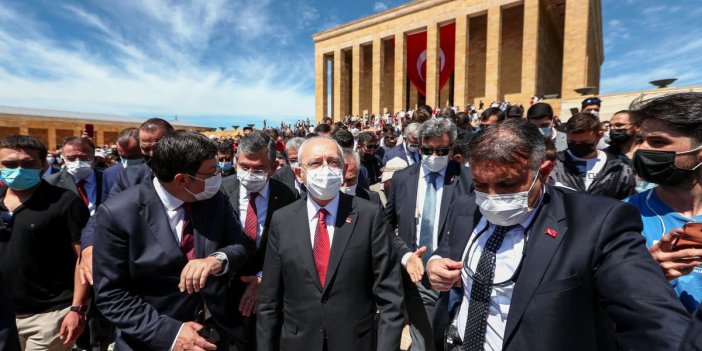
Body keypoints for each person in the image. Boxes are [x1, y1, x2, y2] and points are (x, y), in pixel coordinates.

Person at [426, 119, 690, 351]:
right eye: (481, 185)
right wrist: (436, 261)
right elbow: (451, 245)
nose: (491, 198)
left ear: (543, 171)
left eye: (507, 184)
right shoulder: (466, 205)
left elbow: (652, 317)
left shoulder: (597, 223)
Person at [92, 131, 250, 350]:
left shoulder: (213, 198)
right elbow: (112, 295)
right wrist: (171, 335)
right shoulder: (118, 214)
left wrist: (217, 260)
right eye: (211, 172)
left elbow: (239, 244)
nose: (218, 177)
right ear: (182, 180)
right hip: (153, 340)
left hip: (214, 332)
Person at [257, 137, 404, 351]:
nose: (326, 169)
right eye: (315, 163)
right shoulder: (282, 220)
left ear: (344, 170)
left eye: (333, 162)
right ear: (299, 174)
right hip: (298, 342)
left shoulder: (369, 215)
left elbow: (390, 297)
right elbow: (269, 301)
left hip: (355, 342)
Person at [385, 118, 473, 351]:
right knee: (423, 342)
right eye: (427, 150)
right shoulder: (402, 179)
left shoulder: (468, 179)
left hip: (455, 279)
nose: (433, 155)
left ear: (452, 148)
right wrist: (406, 256)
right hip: (417, 278)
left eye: (441, 150)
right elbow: (385, 225)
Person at [0, 135, 90, 350]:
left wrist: (77, 309)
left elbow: (83, 260)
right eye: (10, 164)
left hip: (49, 316)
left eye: (28, 163)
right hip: (3, 313)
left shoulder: (65, 202)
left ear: (43, 165)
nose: (19, 170)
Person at [623, 92, 702, 313]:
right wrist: (644, 275)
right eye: (640, 140)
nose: (641, 150)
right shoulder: (620, 216)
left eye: (658, 142)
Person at [220, 131, 296, 350]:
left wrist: (265, 278)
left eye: (259, 169)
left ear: (273, 168)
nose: (250, 173)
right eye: (244, 167)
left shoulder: (286, 196)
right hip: (224, 292)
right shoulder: (221, 191)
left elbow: (289, 247)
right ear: (235, 162)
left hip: (268, 295)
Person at [78, 118, 174, 287]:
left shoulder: (198, 175)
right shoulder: (129, 177)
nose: (152, 154)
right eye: (146, 149)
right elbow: (104, 213)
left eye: (157, 147)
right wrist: (89, 245)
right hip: (140, 268)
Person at [551, 112, 636, 199]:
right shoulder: (554, 164)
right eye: (572, 142)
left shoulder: (619, 168)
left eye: (585, 142)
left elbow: (627, 204)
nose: (578, 146)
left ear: (600, 135)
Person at [46, 136, 105, 216]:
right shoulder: (50, 183)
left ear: (94, 158)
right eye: (71, 158)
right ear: (64, 160)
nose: (78, 163)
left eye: (84, 158)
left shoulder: (107, 179)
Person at [101, 128, 141, 202]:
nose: (127, 162)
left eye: (133, 157)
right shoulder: (109, 174)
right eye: (123, 157)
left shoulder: (156, 173)